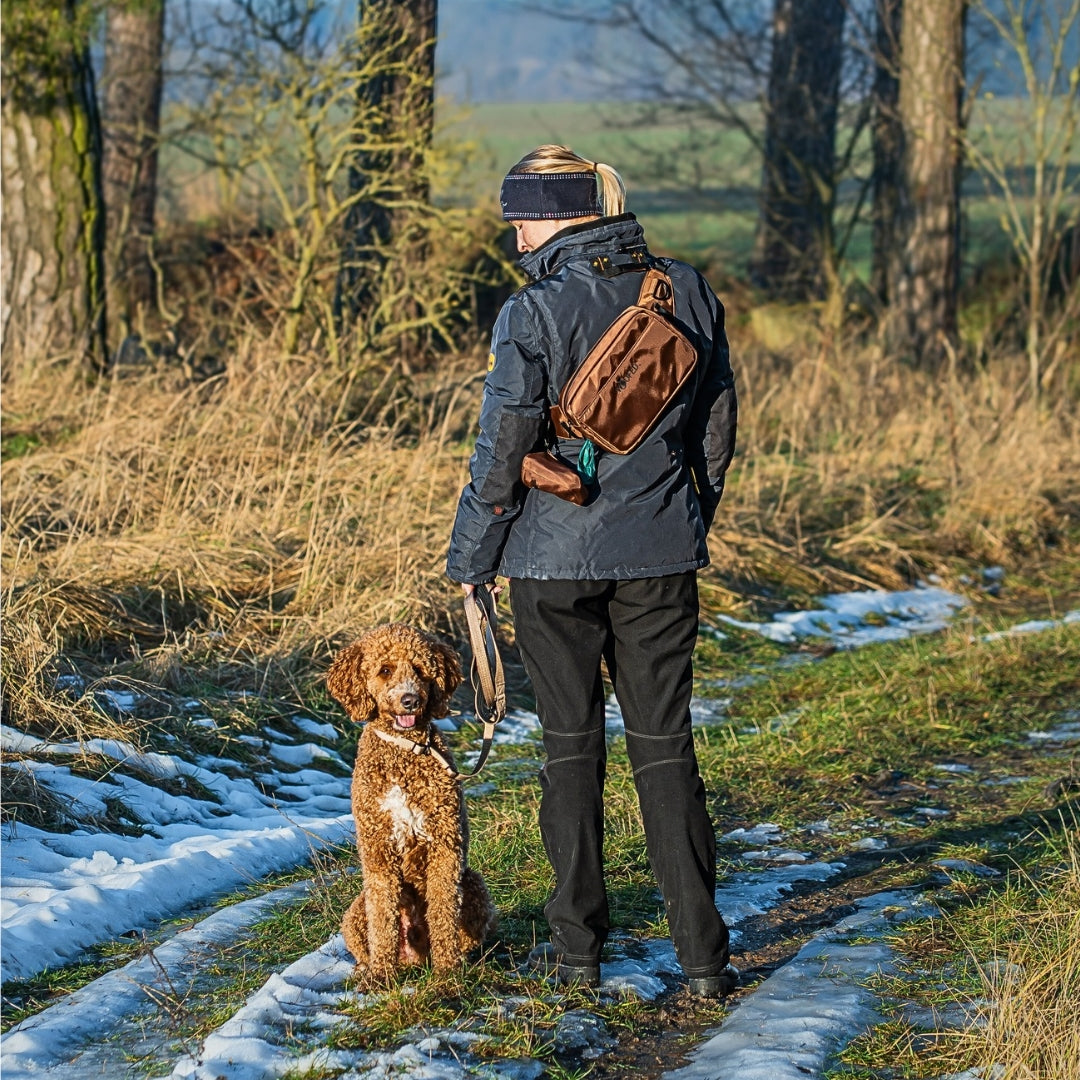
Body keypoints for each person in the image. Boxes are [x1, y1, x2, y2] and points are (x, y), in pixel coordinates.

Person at [446, 145, 738, 997]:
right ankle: (704, 962)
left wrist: (471, 562)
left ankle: (579, 955)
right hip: (660, 558)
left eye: (525, 218)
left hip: (550, 563)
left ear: (568, 216)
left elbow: (499, 451)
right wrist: (686, 518)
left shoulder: (530, 312)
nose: (515, 234)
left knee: (569, 754)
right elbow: (716, 430)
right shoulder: (685, 290)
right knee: (665, 750)